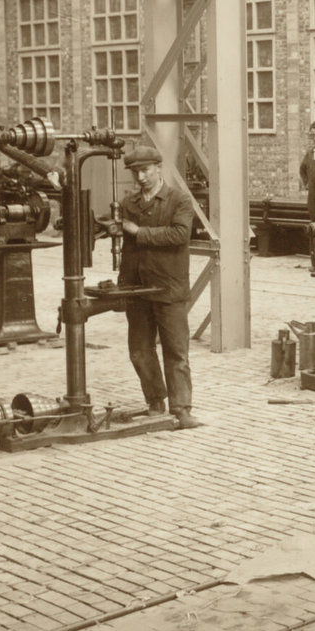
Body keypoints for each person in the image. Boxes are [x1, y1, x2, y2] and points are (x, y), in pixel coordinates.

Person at [117, 145, 201, 428]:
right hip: (138, 289)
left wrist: (138, 232)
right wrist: (122, 286)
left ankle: (181, 408)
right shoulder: (129, 204)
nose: (140, 177)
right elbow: (127, 249)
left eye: (145, 171)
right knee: (139, 350)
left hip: (169, 287)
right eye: (135, 172)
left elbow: (179, 235)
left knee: (175, 351)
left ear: (158, 168)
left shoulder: (179, 200)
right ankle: (155, 401)